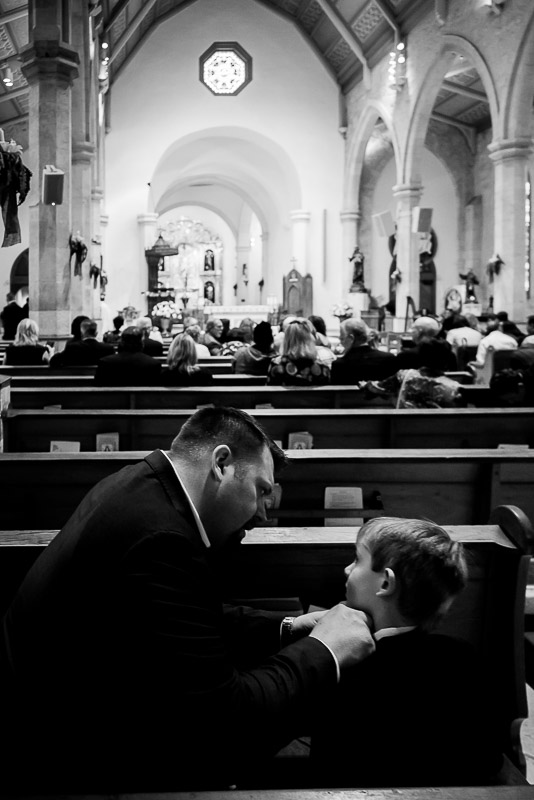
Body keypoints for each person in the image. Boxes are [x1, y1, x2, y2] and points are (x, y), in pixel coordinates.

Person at [0, 407, 375, 793]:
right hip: (67, 757)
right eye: (262, 490)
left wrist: (286, 628)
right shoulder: (162, 540)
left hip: (61, 703)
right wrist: (325, 649)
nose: (264, 513)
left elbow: (182, 622)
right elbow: (225, 726)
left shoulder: (140, 485)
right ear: (222, 464)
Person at [310, 517, 502, 788]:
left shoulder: (348, 666)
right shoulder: (463, 656)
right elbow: (488, 759)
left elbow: (325, 766)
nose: (346, 569)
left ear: (386, 584)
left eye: (357, 560)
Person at [267, 318, 330, 386]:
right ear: (309, 340)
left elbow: (269, 392)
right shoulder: (322, 368)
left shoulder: (277, 365)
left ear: (287, 341)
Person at [331, 318, 397, 383]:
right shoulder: (389, 359)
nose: (340, 342)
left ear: (351, 338)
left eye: (342, 338)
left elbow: (338, 392)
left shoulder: (339, 366)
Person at [94, 326, 162, 385]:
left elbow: (97, 386)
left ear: (121, 342)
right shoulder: (154, 364)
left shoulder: (105, 362)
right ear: (141, 342)